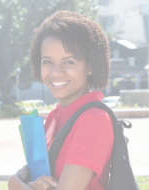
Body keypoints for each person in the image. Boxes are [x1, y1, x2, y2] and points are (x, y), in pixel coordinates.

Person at [8, 10, 113, 190]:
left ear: (90, 66)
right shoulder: (54, 116)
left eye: (69, 62)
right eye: (47, 61)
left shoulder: (94, 120)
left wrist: (14, 184)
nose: (55, 72)